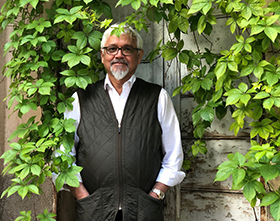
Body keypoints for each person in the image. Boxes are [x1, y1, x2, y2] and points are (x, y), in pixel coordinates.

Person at [53, 24, 185, 221]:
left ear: (139, 56)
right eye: (112, 48)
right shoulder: (81, 98)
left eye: (127, 49)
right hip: (94, 210)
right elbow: (64, 156)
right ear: (102, 55)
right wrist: (82, 196)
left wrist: (156, 194)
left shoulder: (157, 97)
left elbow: (174, 154)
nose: (119, 55)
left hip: (144, 210)